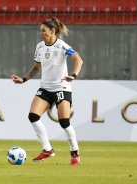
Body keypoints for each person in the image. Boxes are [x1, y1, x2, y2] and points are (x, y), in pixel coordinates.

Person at [11, 17, 83, 166]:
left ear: (52, 31)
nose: (41, 33)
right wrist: (23, 79)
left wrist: (73, 76)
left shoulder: (62, 46)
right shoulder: (40, 47)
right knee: (33, 116)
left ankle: (75, 152)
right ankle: (47, 149)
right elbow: (37, 67)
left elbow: (78, 60)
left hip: (62, 88)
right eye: (40, 31)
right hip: (45, 88)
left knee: (64, 121)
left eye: (43, 31)